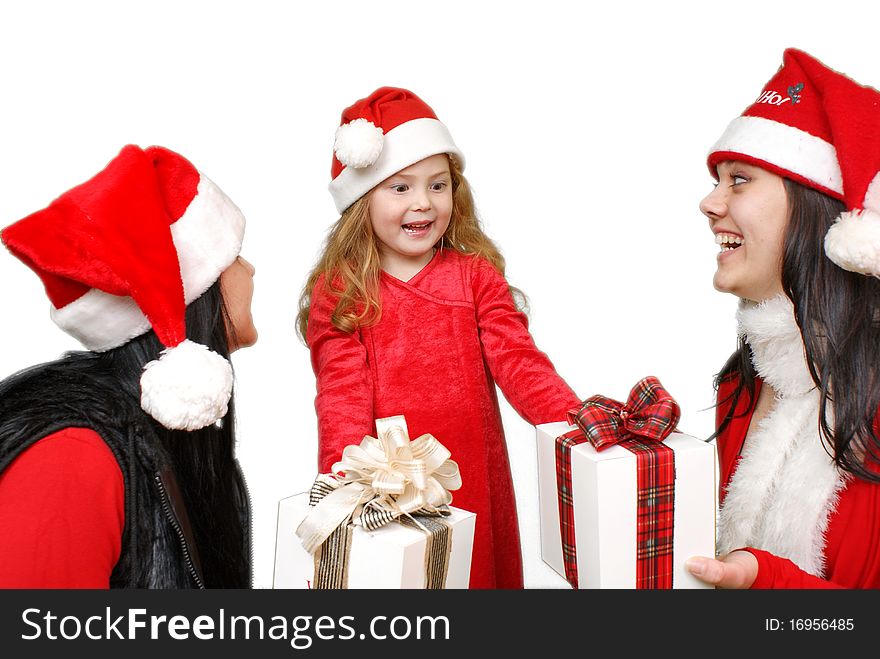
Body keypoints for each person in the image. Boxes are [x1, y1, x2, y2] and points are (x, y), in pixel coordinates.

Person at [297, 87, 580, 589]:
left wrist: (577, 426)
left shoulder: (474, 277)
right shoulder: (341, 291)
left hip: (473, 476)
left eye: (438, 185)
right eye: (400, 188)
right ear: (362, 198)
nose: (424, 203)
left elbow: (520, 363)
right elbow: (342, 393)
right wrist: (342, 479)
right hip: (391, 490)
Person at [0, 145, 257, 588]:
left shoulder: (178, 440)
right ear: (193, 296)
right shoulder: (72, 457)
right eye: (234, 254)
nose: (250, 269)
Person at [685, 49, 880, 588]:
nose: (709, 202)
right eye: (717, 179)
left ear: (815, 209)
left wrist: (767, 584)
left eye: (740, 180)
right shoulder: (742, 384)